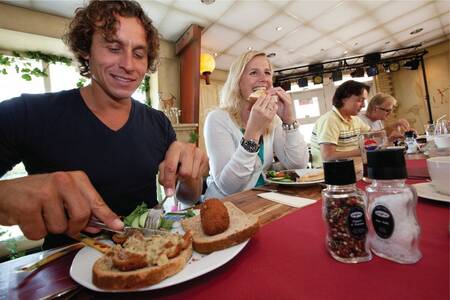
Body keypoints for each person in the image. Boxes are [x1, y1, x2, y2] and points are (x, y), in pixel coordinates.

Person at [0, 0, 208, 249]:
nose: (129, 65)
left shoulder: (158, 122)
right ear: (86, 49)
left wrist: (192, 175)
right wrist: (7, 194)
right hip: (65, 272)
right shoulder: (27, 114)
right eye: (113, 47)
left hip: (149, 255)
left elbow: (188, 197)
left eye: (139, 54)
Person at [203, 51, 309, 199]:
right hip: (224, 205)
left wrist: (289, 120)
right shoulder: (217, 119)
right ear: (237, 81)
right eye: (254, 73)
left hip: (261, 201)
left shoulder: (273, 119)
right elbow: (228, 187)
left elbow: (298, 166)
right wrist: (253, 132)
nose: (264, 79)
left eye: (267, 73)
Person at [310, 80, 371, 168]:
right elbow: (328, 156)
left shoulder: (355, 120)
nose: (363, 105)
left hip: (353, 172)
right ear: (344, 98)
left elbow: (373, 135)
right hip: (332, 176)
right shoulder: (330, 120)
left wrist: (390, 133)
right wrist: (362, 151)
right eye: (360, 100)